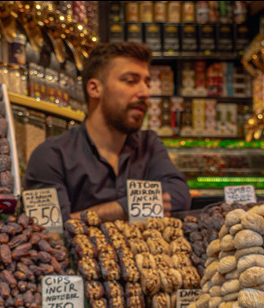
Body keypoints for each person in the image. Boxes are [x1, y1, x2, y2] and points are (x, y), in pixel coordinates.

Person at [24, 42, 190, 222]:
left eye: (147, 83)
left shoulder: (148, 145)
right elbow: (49, 230)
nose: (145, 92)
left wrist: (81, 218)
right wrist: (126, 208)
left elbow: (179, 194)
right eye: (131, 81)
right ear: (95, 89)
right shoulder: (51, 156)